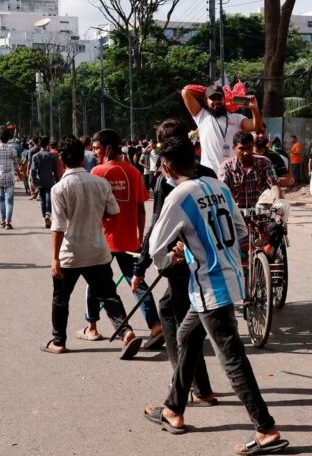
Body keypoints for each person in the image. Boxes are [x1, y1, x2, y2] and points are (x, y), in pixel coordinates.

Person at [144, 135, 287, 454]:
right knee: (187, 336)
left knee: (231, 357)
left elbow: (155, 247)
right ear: (194, 160)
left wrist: (171, 260)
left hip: (211, 287)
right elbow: (240, 231)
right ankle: (174, 408)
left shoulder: (179, 195)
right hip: (228, 278)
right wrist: (202, 247)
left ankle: (265, 428)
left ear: (166, 167)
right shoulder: (217, 186)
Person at [132, 119, 217, 410]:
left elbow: (156, 227)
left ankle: (195, 387)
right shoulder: (208, 174)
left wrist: (140, 266)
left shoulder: (169, 182)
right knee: (175, 312)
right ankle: (191, 384)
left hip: (183, 262)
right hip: (207, 260)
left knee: (185, 325)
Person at [42, 134, 143, 359]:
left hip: (71, 253)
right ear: (82, 158)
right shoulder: (100, 183)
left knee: (61, 298)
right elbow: (114, 211)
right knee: (109, 295)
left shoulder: (60, 188)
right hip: (97, 250)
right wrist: (96, 214)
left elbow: (58, 227)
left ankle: (59, 341)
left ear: (62, 161)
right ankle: (126, 332)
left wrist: (55, 259)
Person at [80, 129, 162, 346]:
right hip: (129, 238)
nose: (95, 152)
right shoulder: (134, 172)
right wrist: (140, 236)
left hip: (103, 239)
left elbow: (92, 208)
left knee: (95, 283)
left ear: (108, 148)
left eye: (97, 148)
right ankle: (155, 325)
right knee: (137, 282)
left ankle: (92, 326)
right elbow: (141, 208)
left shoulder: (98, 172)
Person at [181, 81, 263, 174]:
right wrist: (207, 91)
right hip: (209, 175)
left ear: (224, 99)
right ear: (206, 100)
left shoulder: (236, 118)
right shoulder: (202, 116)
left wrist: (254, 109)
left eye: (219, 98)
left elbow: (257, 127)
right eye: (212, 98)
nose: (216, 102)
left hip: (232, 175)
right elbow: (186, 91)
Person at [221, 131, 282, 211]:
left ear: (253, 146)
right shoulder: (226, 167)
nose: (246, 153)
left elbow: (274, 186)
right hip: (237, 214)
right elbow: (221, 190)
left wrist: (278, 207)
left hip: (261, 214)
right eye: (241, 149)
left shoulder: (264, 162)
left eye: (249, 148)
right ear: (234, 148)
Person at [0, 128, 20, 229]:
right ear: (9, 139)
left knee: (0, 199)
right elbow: (16, 165)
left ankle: (2, 219)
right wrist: (19, 175)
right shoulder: (13, 151)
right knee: (9, 200)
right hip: (10, 178)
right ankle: (8, 222)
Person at [30, 136, 59, 228]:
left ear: (39, 144)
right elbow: (55, 170)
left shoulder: (35, 156)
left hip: (40, 181)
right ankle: (48, 214)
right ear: (48, 145)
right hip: (50, 180)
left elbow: (33, 169)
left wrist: (33, 180)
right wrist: (57, 180)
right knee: (49, 198)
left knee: (42, 200)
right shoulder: (52, 156)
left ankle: (44, 218)